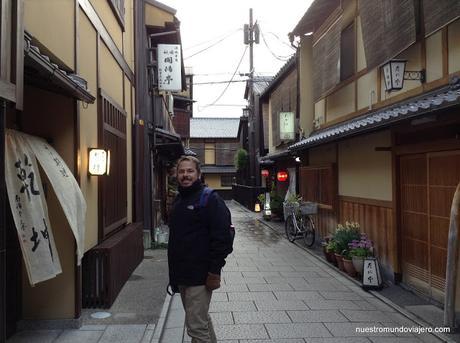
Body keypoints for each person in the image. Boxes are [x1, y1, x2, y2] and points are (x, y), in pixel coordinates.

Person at [168, 155, 233, 343]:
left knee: (196, 328)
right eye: (181, 171)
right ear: (176, 174)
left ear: (199, 174)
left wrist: (214, 271)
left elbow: (223, 240)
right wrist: (174, 277)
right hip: (182, 275)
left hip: (201, 275)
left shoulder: (210, 199)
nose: (185, 175)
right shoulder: (179, 200)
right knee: (200, 322)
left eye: (190, 171)